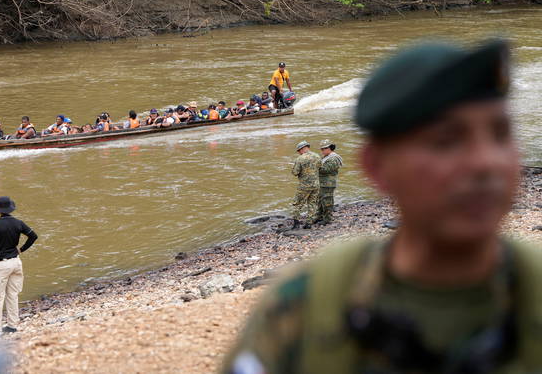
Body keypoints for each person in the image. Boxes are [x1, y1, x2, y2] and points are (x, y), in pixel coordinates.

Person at [221, 39, 542, 373]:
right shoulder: (304, 308)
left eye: (501, 134)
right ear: (377, 168)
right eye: (446, 142)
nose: (485, 163)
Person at [0, 197, 37, 341]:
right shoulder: (18, 223)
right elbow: (33, 236)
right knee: (13, 294)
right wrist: (21, 250)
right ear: (10, 209)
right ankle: (12, 325)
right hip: (16, 263)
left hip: (1, 264)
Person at [290, 141, 321, 230]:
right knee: (312, 204)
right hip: (316, 184)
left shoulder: (300, 159)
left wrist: (293, 166)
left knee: (297, 204)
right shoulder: (317, 156)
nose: (299, 152)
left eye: (299, 151)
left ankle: (296, 225)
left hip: (304, 186)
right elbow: (320, 167)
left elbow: (295, 172)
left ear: (302, 149)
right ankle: (309, 224)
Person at [314, 139, 343, 226]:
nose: (322, 151)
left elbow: (325, 170)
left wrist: (314, 166)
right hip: (323, 182)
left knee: (327, 201)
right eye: (321, 149)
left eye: (323, 149)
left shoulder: (334, 158)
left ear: (329, 148)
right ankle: (320, 216)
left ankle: (327, 219)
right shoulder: (326, 157)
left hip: (328, 183)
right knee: (320, 201)